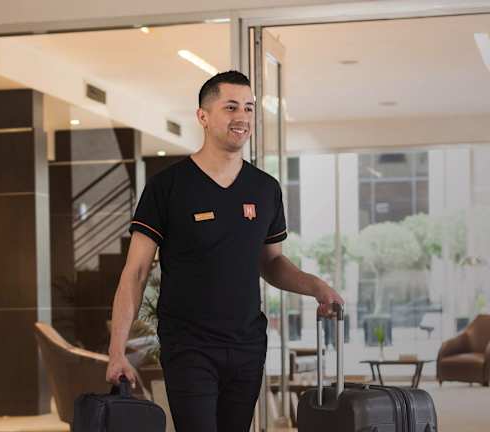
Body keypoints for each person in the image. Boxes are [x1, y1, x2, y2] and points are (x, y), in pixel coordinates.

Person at [105, 70, 344, 432]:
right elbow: (136, 272)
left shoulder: (265, 188)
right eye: (231, 107)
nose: (242, 117)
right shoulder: (167, 187)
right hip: (189, 346)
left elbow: (272, 263)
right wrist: (117, 351)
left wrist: (317, 287)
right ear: (203, 116)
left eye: (248, 107)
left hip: (247, 345)